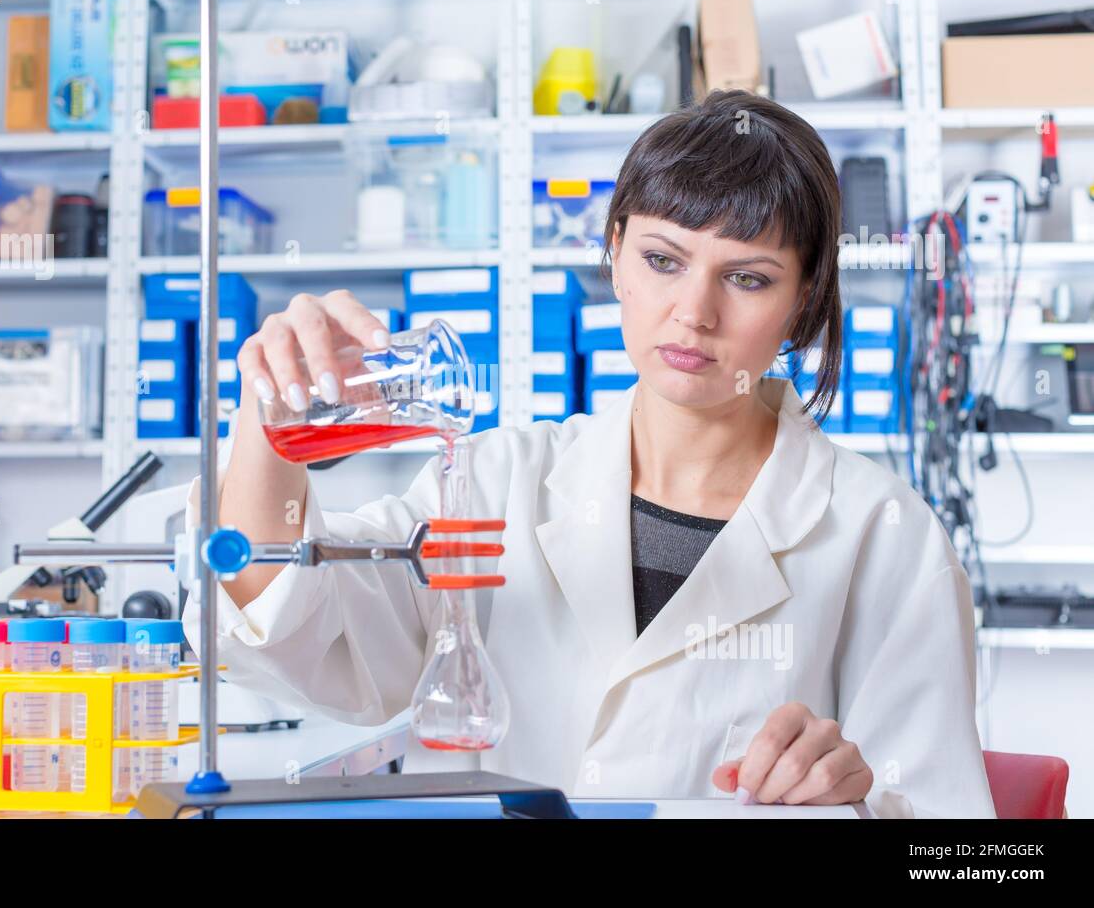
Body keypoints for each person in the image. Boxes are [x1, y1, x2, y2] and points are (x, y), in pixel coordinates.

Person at [182, 90, 996, 818]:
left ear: (806, 298)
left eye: (747, 279)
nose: (694, 313)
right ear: (613, 253)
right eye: (662, 260)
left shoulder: (884, 535)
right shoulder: (502, 481)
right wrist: (270, 419)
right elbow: (283, 620)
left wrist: (857, 801)